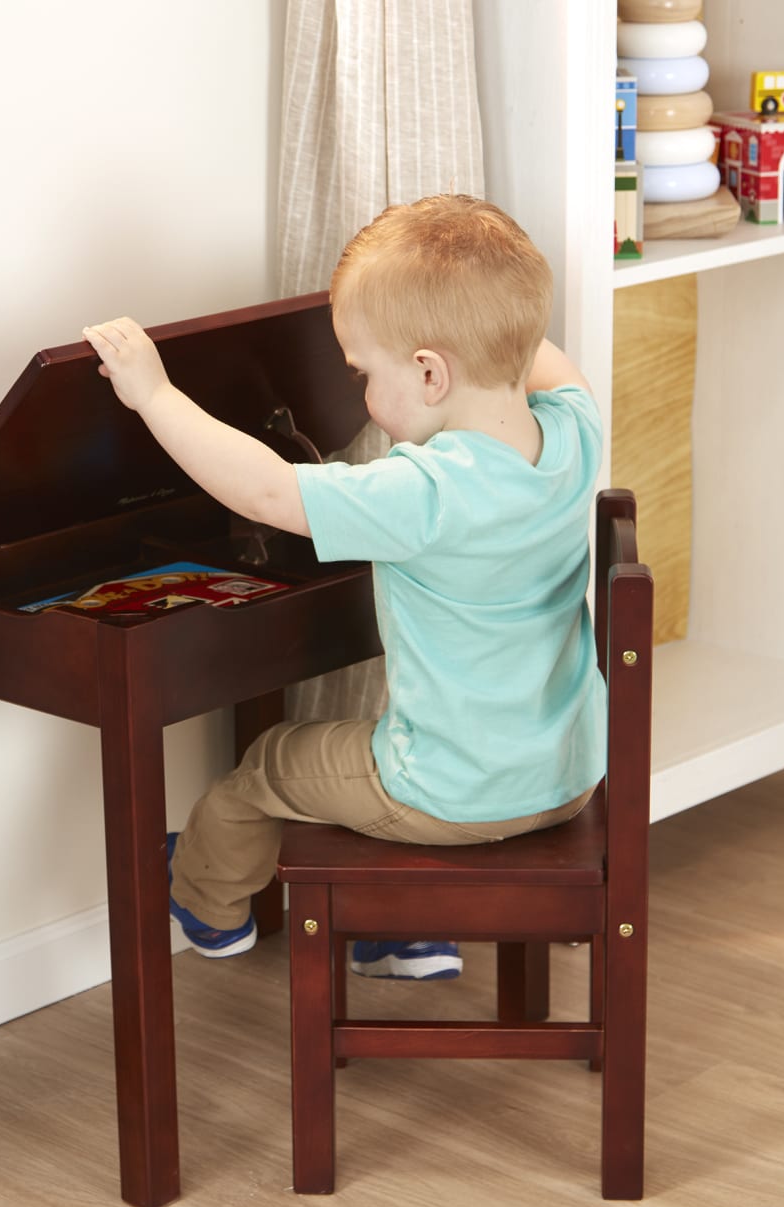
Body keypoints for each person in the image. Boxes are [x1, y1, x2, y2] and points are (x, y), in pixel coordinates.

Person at [83, 193, 604, 981]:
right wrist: (487, 315)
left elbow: (265, 492)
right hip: (565, 776)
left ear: (430, 372)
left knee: (270, 766)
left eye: (364, 372)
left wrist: (154, 394)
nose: (361, 395)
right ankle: (401, 930)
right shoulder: (573, 433)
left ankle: (207, 903)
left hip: (449, 795)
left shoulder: (424, 490)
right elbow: (540, 356)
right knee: (362, 748)